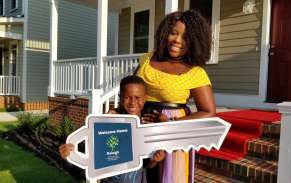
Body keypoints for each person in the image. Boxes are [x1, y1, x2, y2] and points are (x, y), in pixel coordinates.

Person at [135, 10, 216, 183]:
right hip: (140, 127)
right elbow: (130, 89)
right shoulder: (147, 59)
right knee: (138, 175)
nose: (177, 40)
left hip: (173, 133)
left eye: (185, 37)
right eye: (174, 33)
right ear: (165, 33)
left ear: (195, 42)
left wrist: (171, 124)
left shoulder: (195, 71)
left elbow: (208, 111)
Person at [59, 75, 167, 183]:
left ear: (145, 98)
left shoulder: (149, 121)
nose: (132, 102)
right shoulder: (110, 118)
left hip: (137, 178)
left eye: (137, 97)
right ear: (120, 97)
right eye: (127, 97)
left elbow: (148, 164)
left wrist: (155, 160)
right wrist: (70, 153)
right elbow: (95, 150)